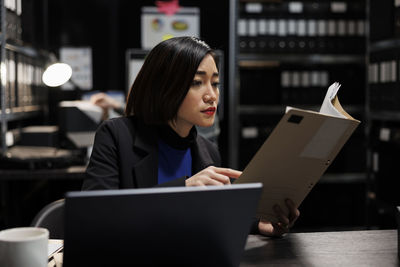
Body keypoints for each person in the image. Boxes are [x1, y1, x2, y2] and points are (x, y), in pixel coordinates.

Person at [82, 36, 300, 237]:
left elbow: (212, 221)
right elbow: (94, 218)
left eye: (215, 83)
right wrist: (180, 190)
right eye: (197, 82)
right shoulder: (116, 136)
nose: (211, 95)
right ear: (164, 87)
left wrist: (258, 224)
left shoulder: (208, 151)